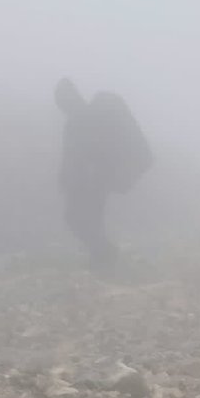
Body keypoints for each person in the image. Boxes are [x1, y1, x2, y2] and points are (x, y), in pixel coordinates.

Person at [54, 78, 151, 273]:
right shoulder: (73, 124)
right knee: (75, 218)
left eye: (64, 100)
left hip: (96, 181)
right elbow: (70, 154)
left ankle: (104, 257)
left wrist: (101, 172)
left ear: (74, 97)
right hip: (84, 181)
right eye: (60, 102)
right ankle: (102, 255)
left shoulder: (96, 116)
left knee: (85, 219)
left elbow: (105, 149)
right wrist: (65, 179)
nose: (63, 106)